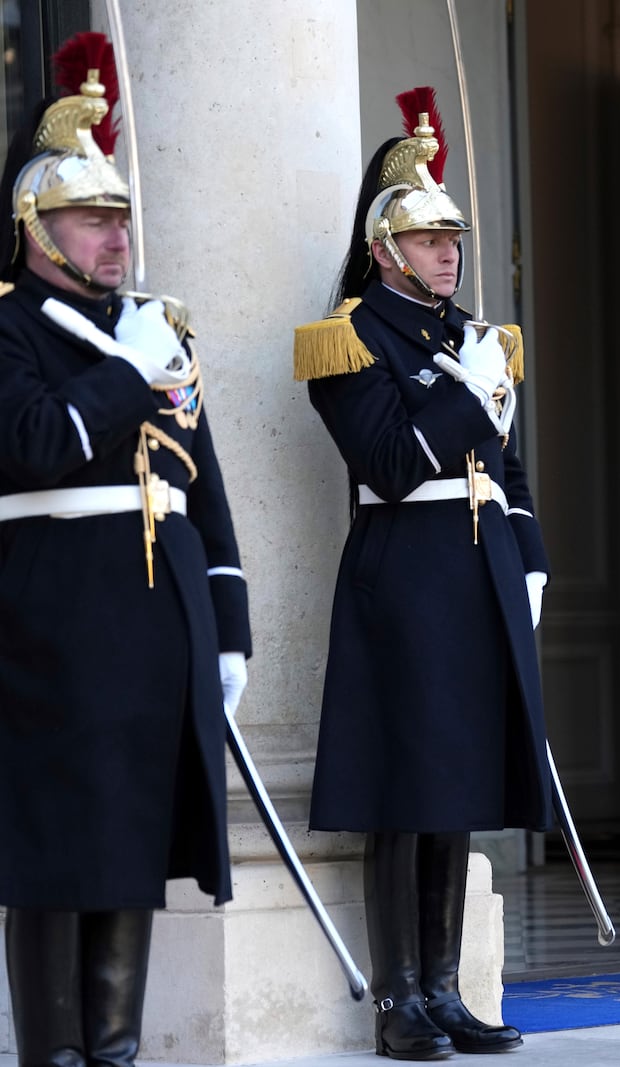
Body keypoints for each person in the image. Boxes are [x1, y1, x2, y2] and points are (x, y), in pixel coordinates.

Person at [0, 34, 250, 1067]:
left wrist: (228, 623)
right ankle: (55, 1052)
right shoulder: (12, 330)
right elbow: (33, 443)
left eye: (118, 219)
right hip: (54, 612)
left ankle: (115, 1047)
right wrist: (122, 374)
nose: (114, 238)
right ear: (37, 228)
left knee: (134, 839)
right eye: (92, 220)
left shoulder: (156, 330)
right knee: (59, 848)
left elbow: (206, 488)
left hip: (160, 613)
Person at [295, 88, 550, 1057]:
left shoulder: (471, 335)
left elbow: (510, 468)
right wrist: (473, 396)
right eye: (428, 238)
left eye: (453, 237)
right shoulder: (349, 337)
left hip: (478, 568)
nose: (448, 252)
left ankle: (446, 988)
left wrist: (530, 554)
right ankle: (398, 999)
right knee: (402, 791)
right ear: (385, 247)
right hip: (402, 573)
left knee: (459, 785)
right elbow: (392, 463)